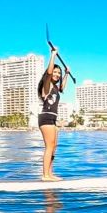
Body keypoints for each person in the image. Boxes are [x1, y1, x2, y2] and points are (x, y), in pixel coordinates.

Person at [38, 48, 67, 181]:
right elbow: (49, 72)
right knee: (49, 146)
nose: (56, 74)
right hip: (46, 117)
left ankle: (50, 173)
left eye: (58, 73)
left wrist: (66, 74)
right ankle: (45, 176)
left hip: (53, 120)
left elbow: (62, 88)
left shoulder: (55, 88)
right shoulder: (47, 84)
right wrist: (53, 55)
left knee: (54, 147)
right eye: (55, 72)